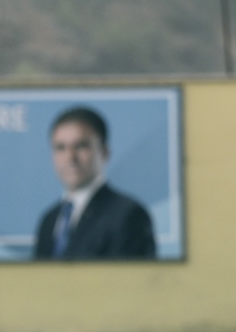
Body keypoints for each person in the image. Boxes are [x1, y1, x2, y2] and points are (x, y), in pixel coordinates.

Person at [32, 106, 156, 260]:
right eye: (61, 148)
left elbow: (131, 281)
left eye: (81, 146)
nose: (70, 157)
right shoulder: (49, 220)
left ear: (104, 152)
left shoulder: (128, 215)